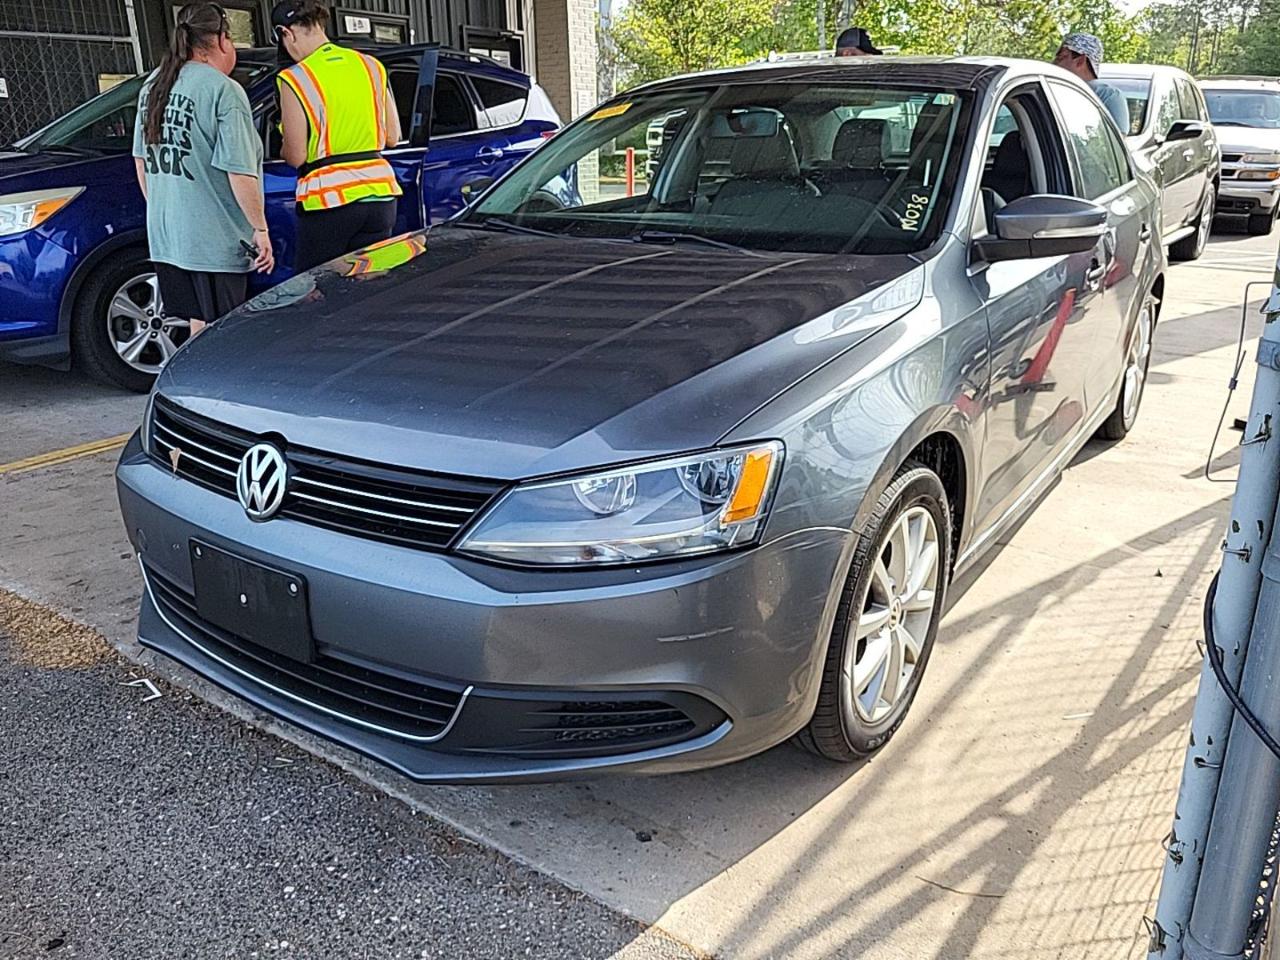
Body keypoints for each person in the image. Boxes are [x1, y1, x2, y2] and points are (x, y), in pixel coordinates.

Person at [132, 2, 273, 339]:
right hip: (214, 242)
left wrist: (167, 208)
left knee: (198, 329)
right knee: (222, 337)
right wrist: (260, 229)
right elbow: (238, 171)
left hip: (168, 239)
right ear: (223, 39)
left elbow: (140, 161)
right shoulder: (223, 90)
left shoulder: (153, 85)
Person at [272, 0, 403, 272]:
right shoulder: (371, 66)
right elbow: (393, 136)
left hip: (328, 200)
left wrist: (282, 144)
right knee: (367, 283)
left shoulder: (295, 78)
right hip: (380, 196)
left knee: (316, 287)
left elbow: (296, 156)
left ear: (287, 33)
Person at [1053, 32, 1130, 132]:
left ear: (1080, 61)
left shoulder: (1108, 95)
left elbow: (1117, 141)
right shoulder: (1053, 88)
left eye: (1060, 58)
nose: (1054, 63)